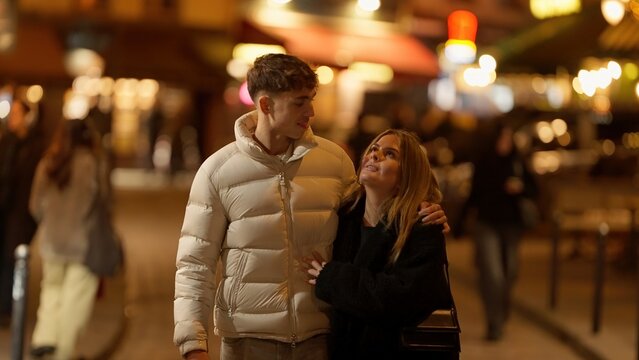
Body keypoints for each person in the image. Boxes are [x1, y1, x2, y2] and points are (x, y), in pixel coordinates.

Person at [173, 53, 448, 360]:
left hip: (320, 342)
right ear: (266, 105)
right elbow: (195, 264)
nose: (311, 111)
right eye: (299, 102)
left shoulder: (334, 162)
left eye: (311, 100)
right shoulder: (218, 171)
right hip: (247, 343)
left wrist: (424, 212)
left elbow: (378, 211)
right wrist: (193, 342)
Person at [302, 129, 453, 359]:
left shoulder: (421, 226)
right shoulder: (344, 219)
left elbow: (403, 298)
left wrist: (332, 277)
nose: (375, 155)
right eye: (373, 149)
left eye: (390, 154)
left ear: (407, 175)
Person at [28, 119, 105, 359]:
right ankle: (62, 352)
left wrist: (51, 222)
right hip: (82, 245)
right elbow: (104, 205)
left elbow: (34, 206)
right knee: (76, 300)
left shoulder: (47, 163)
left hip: (51, 243)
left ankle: (45, 338)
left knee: (51, 292)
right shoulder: (92, 164)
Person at [464, 121, 537, 341]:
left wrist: (520, 188)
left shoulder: (517, 162)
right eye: (501, 138)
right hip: (487, 224)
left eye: (508, 139)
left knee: (510, 273)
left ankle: (502, 312)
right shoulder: (484, 162)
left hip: (512, 225)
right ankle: (494, 321)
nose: (504, 143)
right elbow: (473, 193)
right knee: (492, 274)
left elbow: (534, 189)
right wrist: (459, 223)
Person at [0, 98, 46, 324]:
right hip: (4, 209)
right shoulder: (6, 142)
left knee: (13, 259)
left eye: (18, 113)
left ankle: (8, 310)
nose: (13, 118)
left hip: (20, 213)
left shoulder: (36, 145)